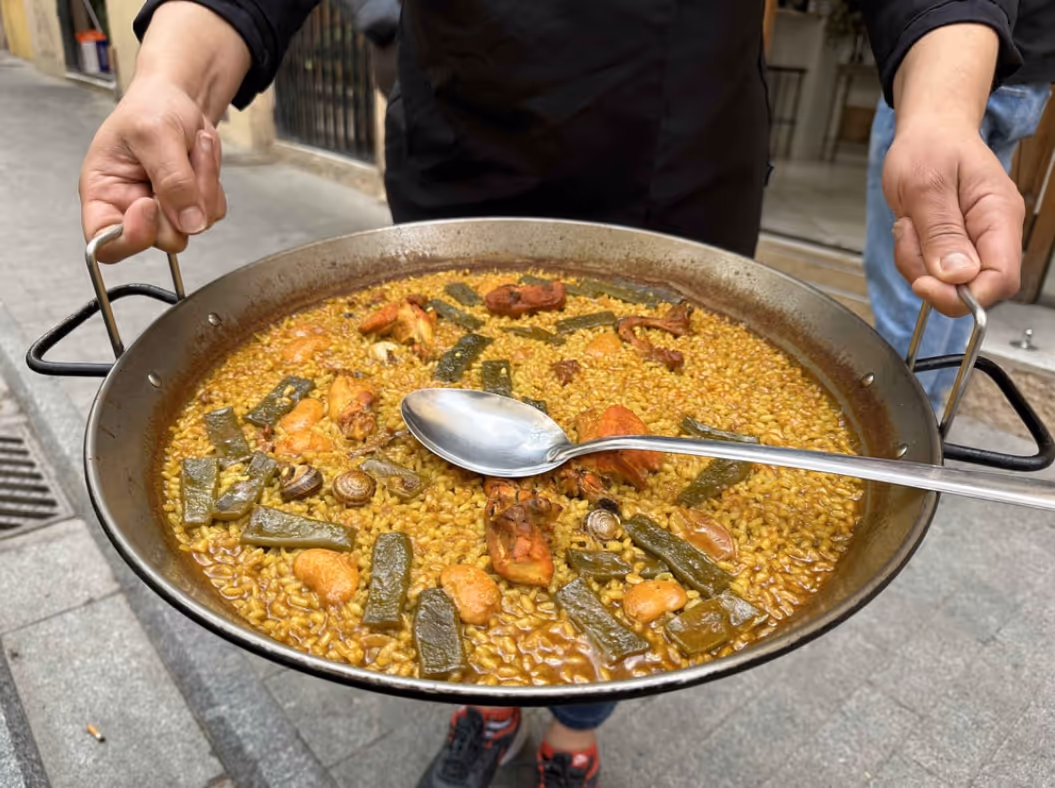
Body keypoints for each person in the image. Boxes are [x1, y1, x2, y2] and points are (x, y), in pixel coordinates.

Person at [77, 1, 1036, 785]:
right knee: (468, 480)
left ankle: (574, 729)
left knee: (609, 543)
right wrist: (169, 83)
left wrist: (943, 114)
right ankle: (490, 708)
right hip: (463, 157)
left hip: (678, 170)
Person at [863, 0, 1054, 415]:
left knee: (915, 276)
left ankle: (898, 425)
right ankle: (930, 417)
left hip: (961, 57)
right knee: (967, 272)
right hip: (1028, 70)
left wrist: (940, 112)